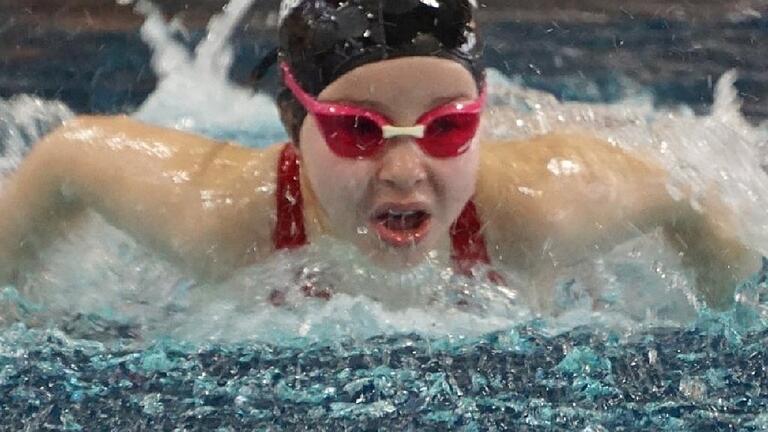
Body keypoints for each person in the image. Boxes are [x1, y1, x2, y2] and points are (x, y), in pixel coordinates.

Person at [0, 0, 759, 310]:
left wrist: (726, 311)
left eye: (447, 129)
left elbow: (691, 191)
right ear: (293, 124)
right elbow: (68, 156)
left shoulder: (541, 208)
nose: (404, 170)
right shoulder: (221, 216)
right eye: (359, 130)